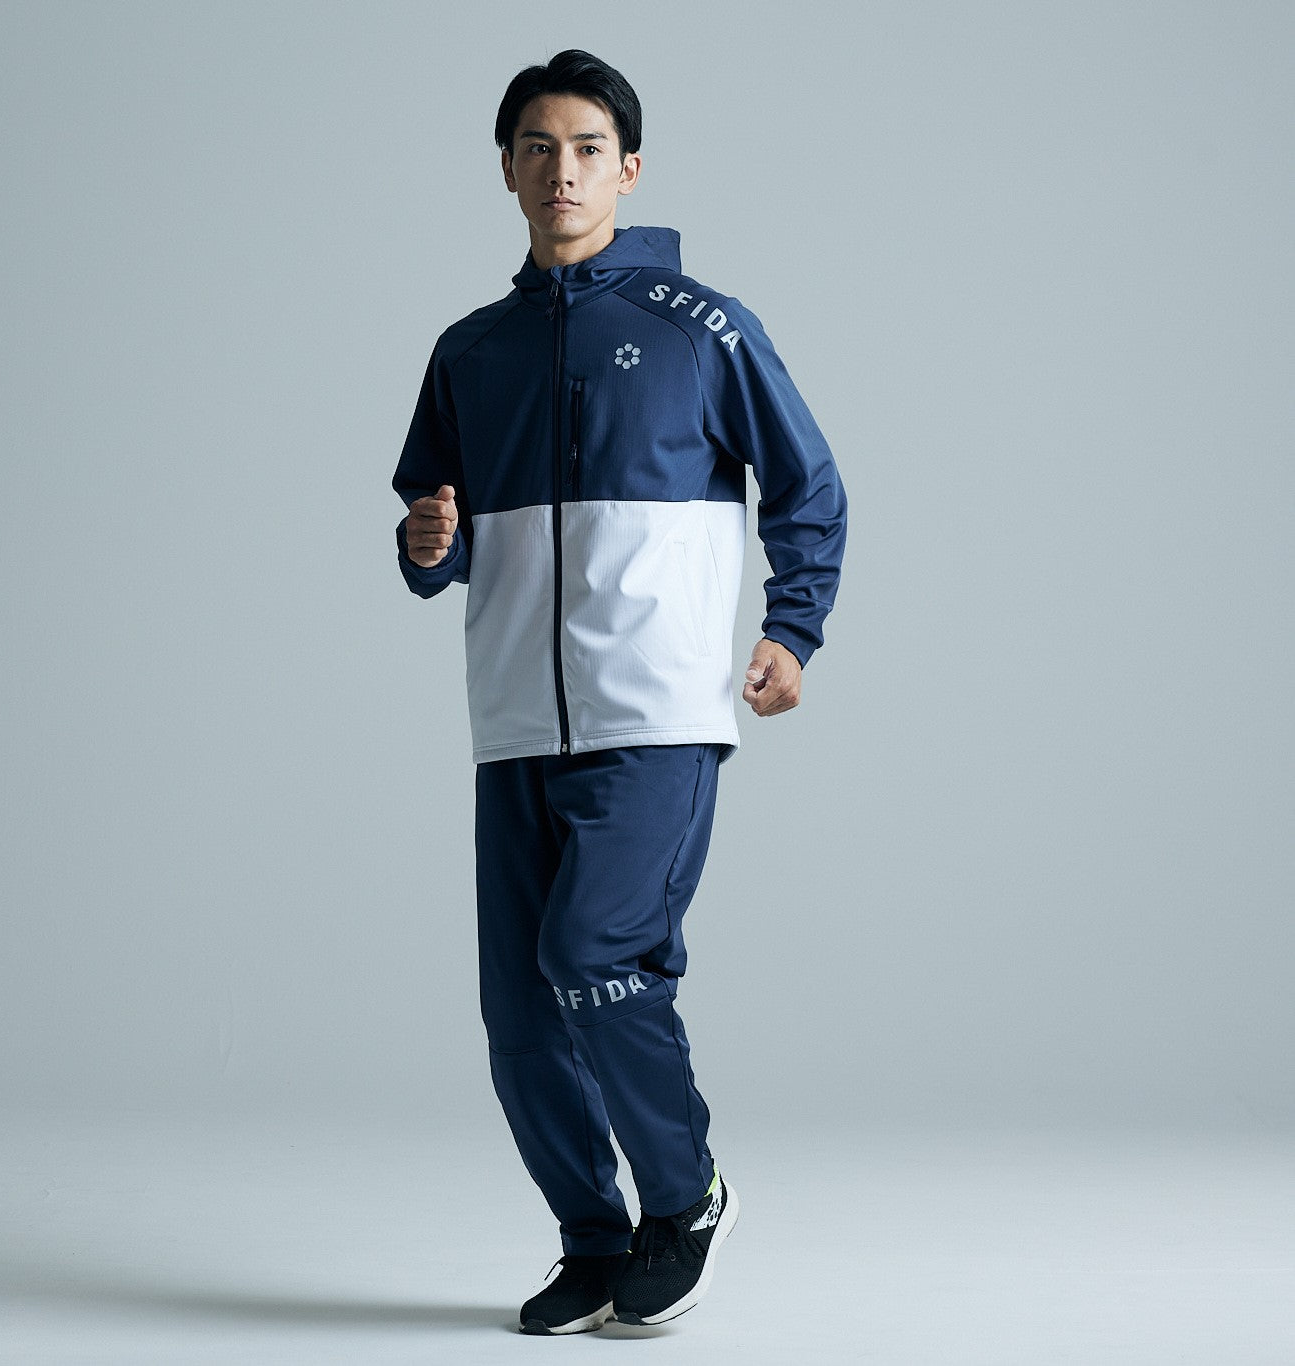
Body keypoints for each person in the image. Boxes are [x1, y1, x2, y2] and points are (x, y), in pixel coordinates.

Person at [391, 48, 847, 1334]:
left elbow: (807, 484)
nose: (563, 170)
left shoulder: (701, 325)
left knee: (591, 952)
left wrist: (793, 630)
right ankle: (592, 1240)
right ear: (506, 170)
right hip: (512, 719)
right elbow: (437, 535)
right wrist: (427, 543)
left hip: (655, 709)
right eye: (537, 148)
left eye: (587, 148)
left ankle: (684, 1195)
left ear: (628, 169)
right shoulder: (469, 350)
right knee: (518, 1011)